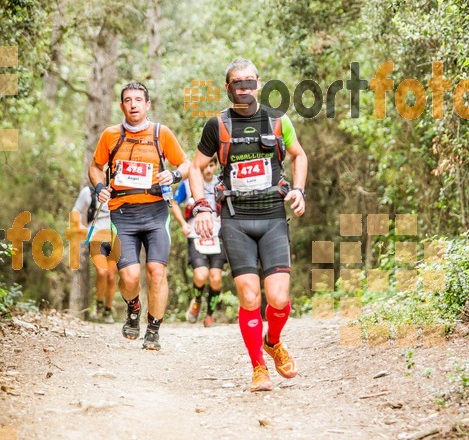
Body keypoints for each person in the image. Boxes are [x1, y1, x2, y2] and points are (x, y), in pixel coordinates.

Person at [189, 58, 308, 392]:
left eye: (249, 82)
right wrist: (201, 207)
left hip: (271, 217)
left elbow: (299, 155)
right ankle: (258, 367)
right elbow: (196, 167)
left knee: (279, 298)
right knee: (250, 295)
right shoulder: (218, 125)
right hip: (235, 220)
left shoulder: (278, 120)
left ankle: (273, 341)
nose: (243, 88)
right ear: (228, 88)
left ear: (258, 83)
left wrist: (298, 190)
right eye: (236, 83)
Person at [88, 82, 190, 351]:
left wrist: (175, 174)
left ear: (147, 105)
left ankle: (153, 329)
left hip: (156, 212)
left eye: (138, 100)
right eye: (127, 100)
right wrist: (100, 187)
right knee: (130, 277)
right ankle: (133, 308)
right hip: (122, 214)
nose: (133, 104)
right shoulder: (110, 135)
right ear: (121, 106)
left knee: (156, 272)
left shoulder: (161, 133)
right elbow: (96, 167)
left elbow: (186, 164)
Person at [171, 157, 227, 327]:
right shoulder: (189, 184)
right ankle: (196, 301)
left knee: (216, 278)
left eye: (212, 165)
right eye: (206, 165)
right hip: (196, 235)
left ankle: (209, 315)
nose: (208, 170)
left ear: (216, 165)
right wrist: (182, 224)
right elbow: (174, 202)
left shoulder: (222, 183)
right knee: (201, 275)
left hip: (217, 235)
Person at [72, 183, 117, 323]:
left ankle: (108, 310)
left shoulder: (119, 189)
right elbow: (75, 211)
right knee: (101, 272)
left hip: (115, 236)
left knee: (111, 277)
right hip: (96, 235)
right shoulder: (89, 192)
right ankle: (99, 303)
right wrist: (80, 227)